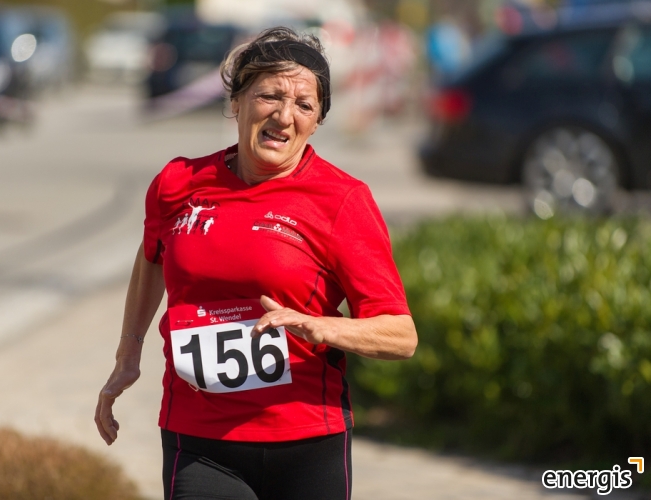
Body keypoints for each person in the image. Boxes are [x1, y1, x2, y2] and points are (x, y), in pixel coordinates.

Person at [95, 26, 418, 500]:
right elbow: (152, 259)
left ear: (317, 120)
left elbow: (401, 335)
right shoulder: (177, 182)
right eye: (270, 96)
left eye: (304, 105)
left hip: (307, 442)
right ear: (236, 101)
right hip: (199, 439)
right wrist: (127, 356)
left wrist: (319, 327)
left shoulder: (342, 200)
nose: (284, 116)